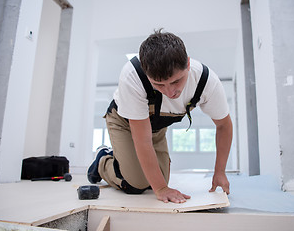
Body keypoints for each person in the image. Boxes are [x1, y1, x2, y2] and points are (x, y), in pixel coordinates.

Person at [87, 29, 233, 204]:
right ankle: (103, 159)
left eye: (176, 81)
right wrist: (161, 189)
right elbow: (143, 140)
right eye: (158, 85)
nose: (170, 92)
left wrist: (220, 171)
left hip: (156, 129)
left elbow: (224, 125)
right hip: (124, 123)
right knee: (137, 184)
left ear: (187, 64)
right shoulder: (133, 76)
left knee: (156, 180)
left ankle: (125, 163)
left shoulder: (207, 82)